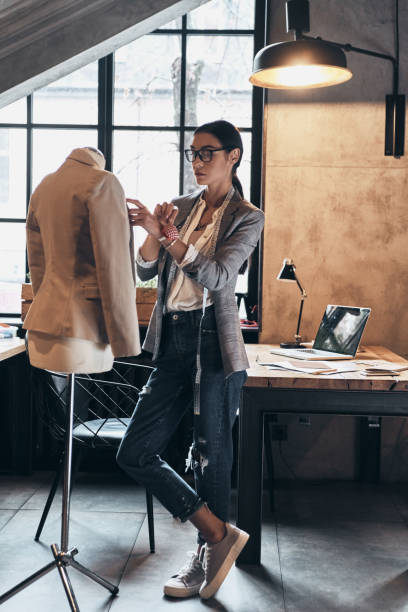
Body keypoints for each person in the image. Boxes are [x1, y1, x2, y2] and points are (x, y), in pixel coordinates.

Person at [116, 120, 264, 600]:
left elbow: (219, 275)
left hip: (215, 348)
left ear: (233, 156)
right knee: (135, 450)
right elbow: (144, 267)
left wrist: (173, 237)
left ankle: (204, 556)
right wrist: (152, 231)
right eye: (192, 154)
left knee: (211, 459)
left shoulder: (248, 216)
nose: (197, 162)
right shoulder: (179, 207)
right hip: (174, 340)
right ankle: (219, 535)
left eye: (207, 153)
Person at [24, 146, 140, 373]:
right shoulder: (103, 182)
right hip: (85, 329)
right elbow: (114, 266)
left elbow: (37, 262)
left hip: (43, 323)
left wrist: (47, 306)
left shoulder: (44, 186)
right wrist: (126, 337)